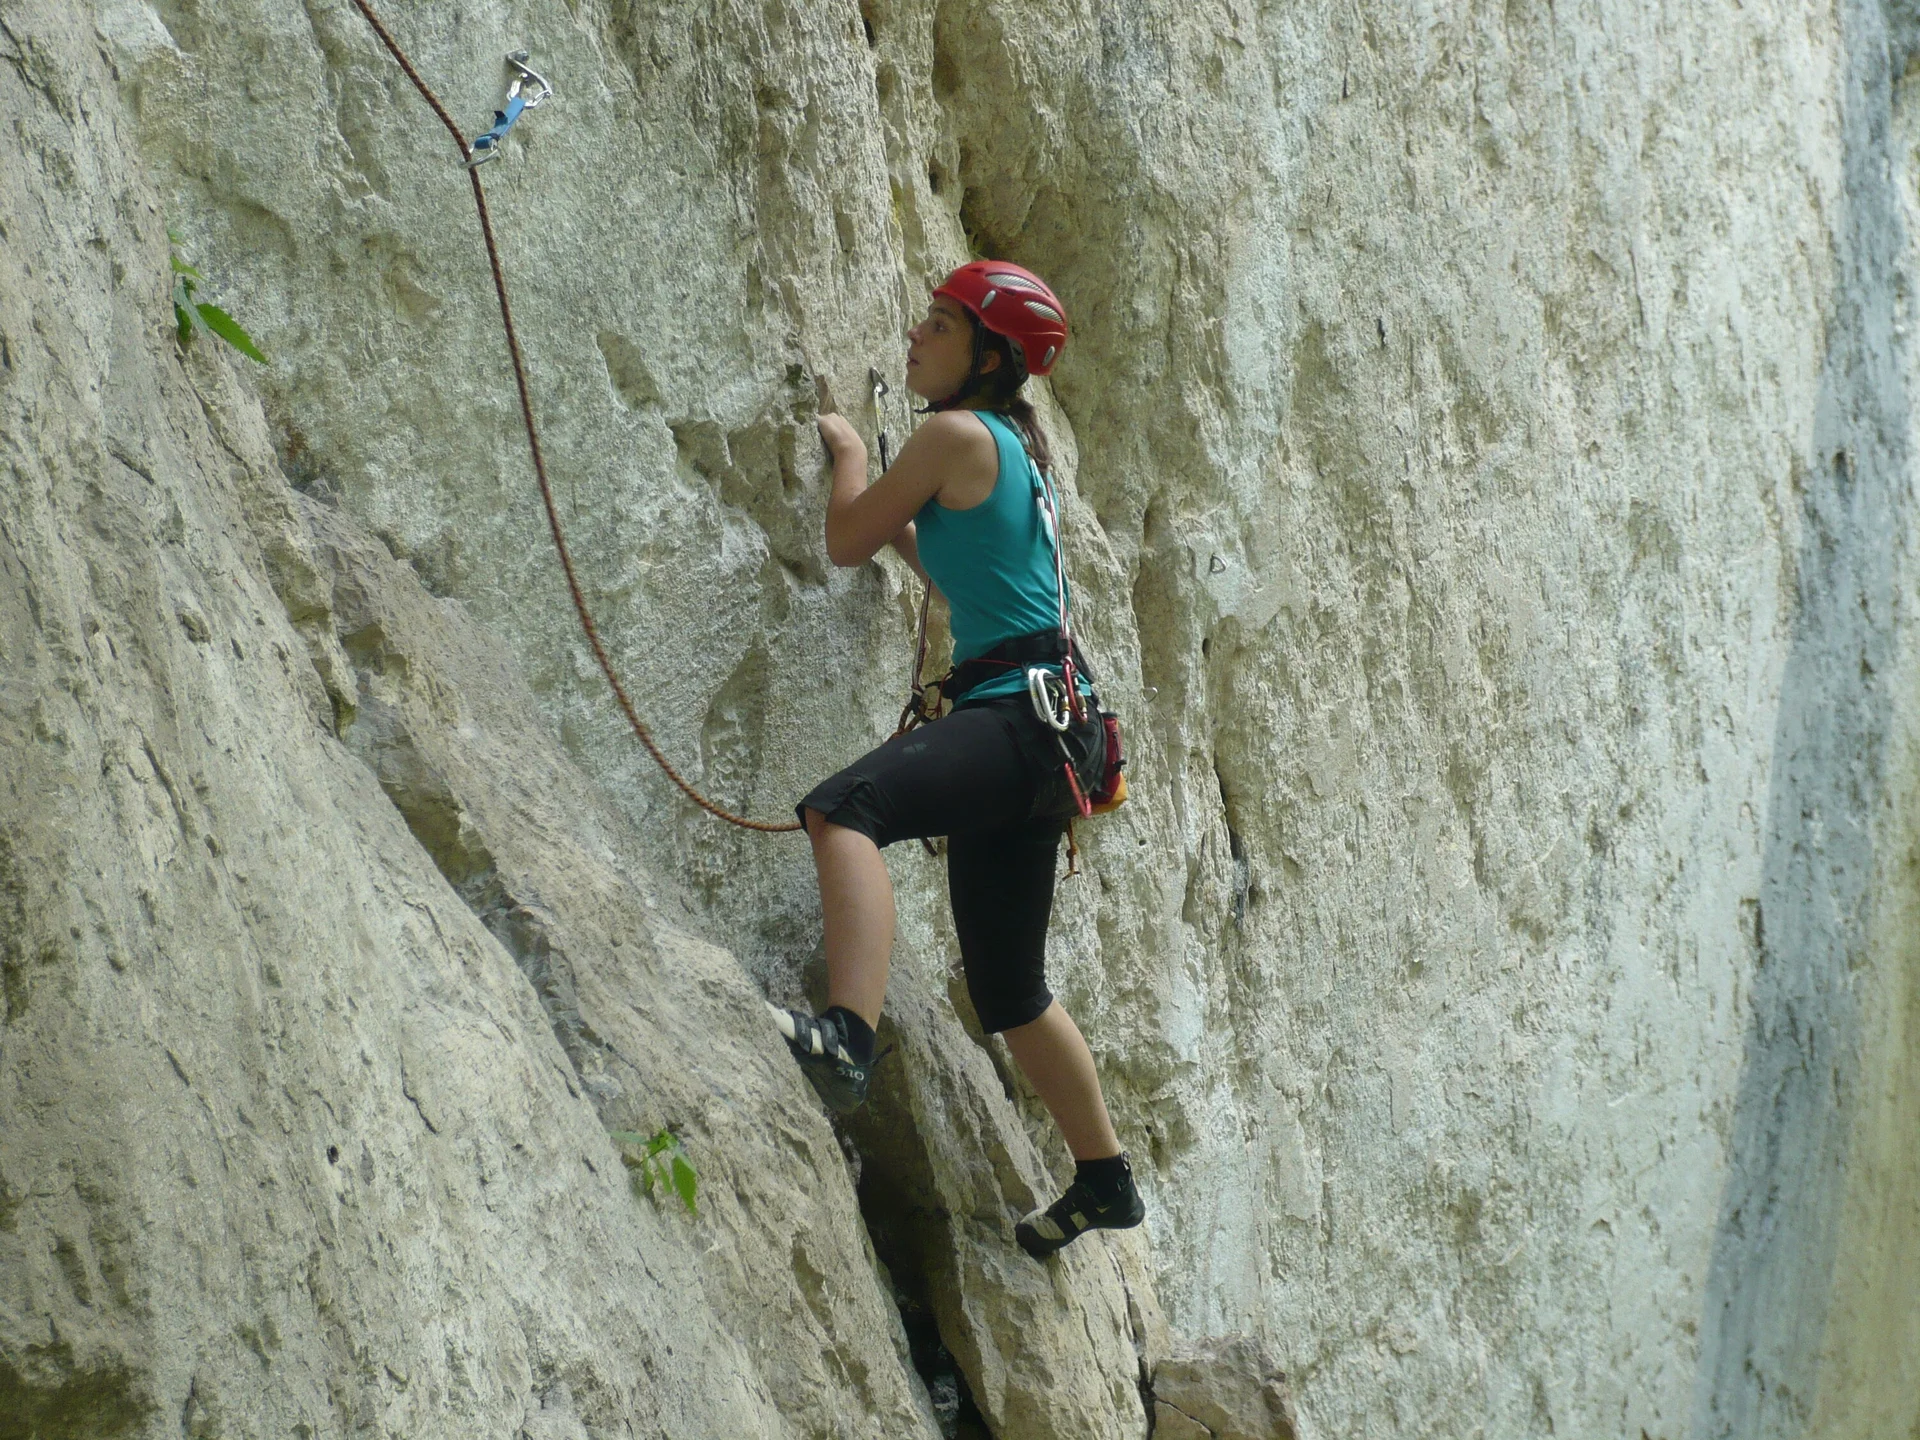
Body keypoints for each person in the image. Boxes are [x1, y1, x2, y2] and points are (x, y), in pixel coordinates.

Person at [768, 261, 1144, 1260]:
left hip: (1015, 717)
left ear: (986, 356)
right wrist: (894, 519)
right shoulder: (1014, 450)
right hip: (1050, 728)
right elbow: (946, 566)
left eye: (938, 327)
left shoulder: (949, 434)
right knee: (1010, 988)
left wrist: (849, 452)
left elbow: (850, 536)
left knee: (844, 809)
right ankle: (1105, 1178)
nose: (913, 338)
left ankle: (848, 1031)